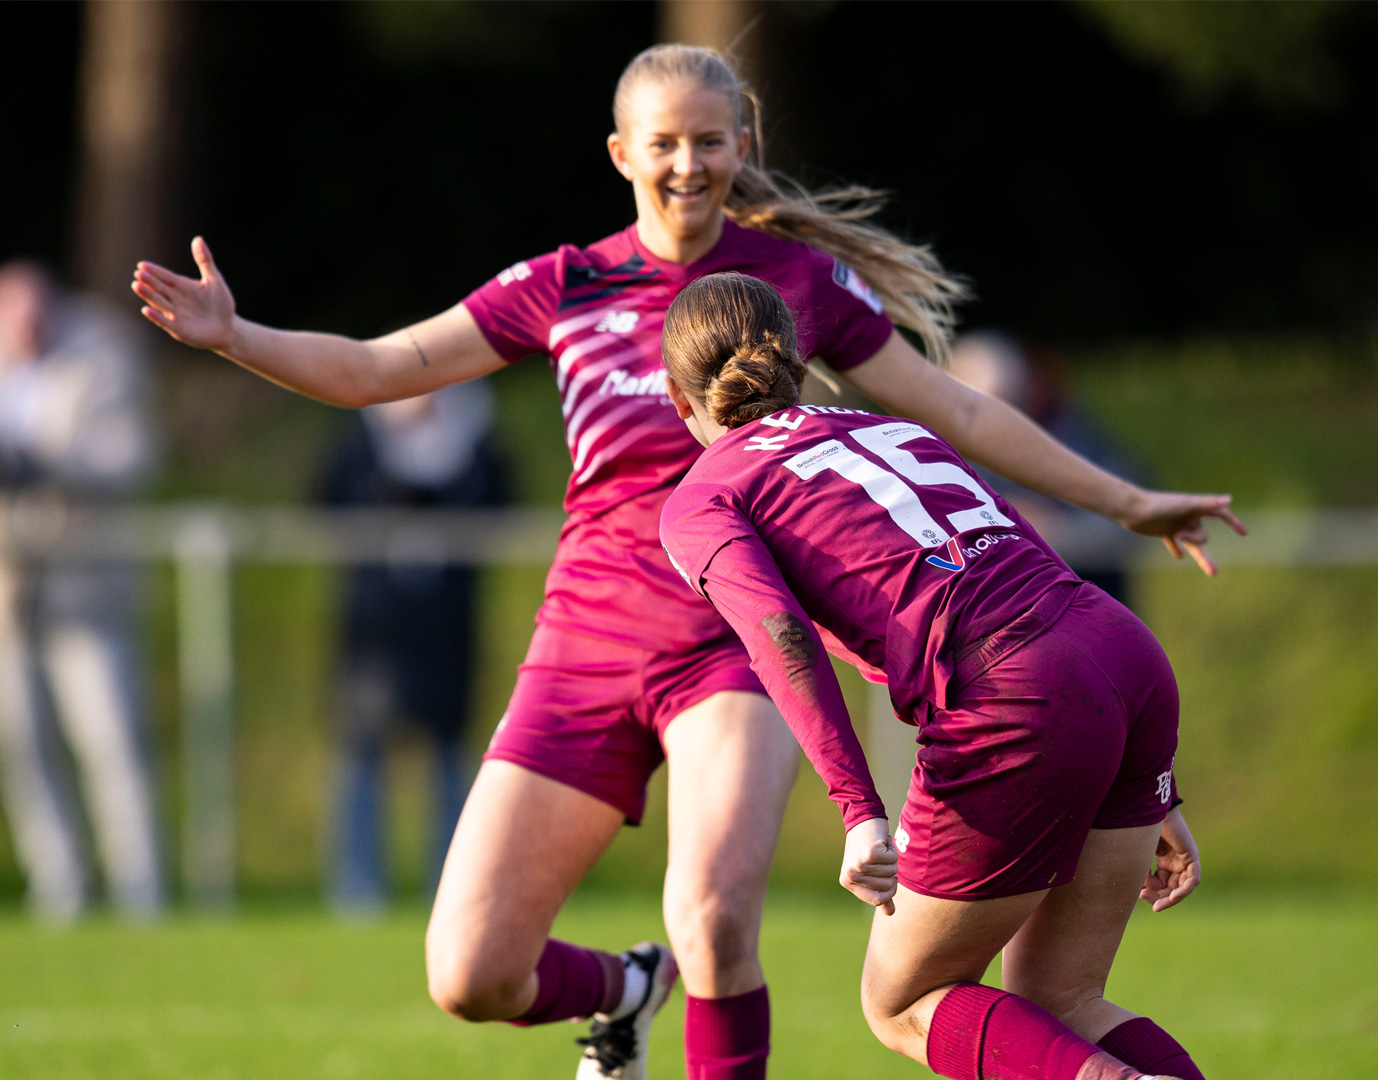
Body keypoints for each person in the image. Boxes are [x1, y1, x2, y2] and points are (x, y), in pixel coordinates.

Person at [131, 44, 1236, 1080]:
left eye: (709, 140)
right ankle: (623, 992)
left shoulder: (793, 285)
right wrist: (237, 337)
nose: (687, 163)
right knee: (469, 973)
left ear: (741, 144)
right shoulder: (569, 285)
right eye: (662, 142)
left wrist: (1127, 500)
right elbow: (378, 368)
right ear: (621, 154)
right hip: (587, 640)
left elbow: (951, 407)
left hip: (739, 647)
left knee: (710, 915)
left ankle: (689, 988)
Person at [656, 273, 1219, 1080]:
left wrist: (858, 809)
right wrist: (1146, 780)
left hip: (1015, 692)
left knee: (901, 1002)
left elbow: (780, 637)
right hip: (1115, 650)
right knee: (1062, 1004)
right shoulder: (881, 427)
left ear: (680, 400)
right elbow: (1019, 548)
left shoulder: (705, 494)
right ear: (800, 365)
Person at [0, 259, 165, 923]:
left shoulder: (101, 353)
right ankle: (58, 885)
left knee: (111, 739)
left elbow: (132, 455)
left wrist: (49, 464)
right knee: (24, 746)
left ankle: (141, 888)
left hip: (85, 586)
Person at [316, 380, 508, 914]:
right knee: (361, 753)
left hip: (448, 630)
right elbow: (327, 504)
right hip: (374, 630)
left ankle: (450, 886)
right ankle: (356, 891)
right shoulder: (360, 443)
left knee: (449, 757)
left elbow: (498, 508)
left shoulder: (474, 445)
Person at [948, 331, 1150, 609]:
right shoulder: (934, 456)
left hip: (1094, 609)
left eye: (1000, 402)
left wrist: (1055, 531)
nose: (981, 424)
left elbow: (1126, 528)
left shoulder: (1076, 438)